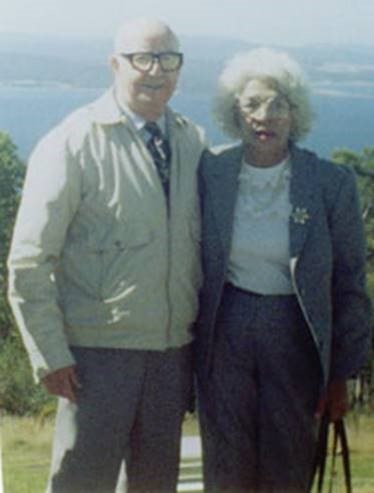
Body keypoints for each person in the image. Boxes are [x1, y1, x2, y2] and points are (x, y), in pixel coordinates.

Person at [7, 18, 207, 493]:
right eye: (143, 58)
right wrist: (50, 354)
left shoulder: (192, 142)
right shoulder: (71, 143)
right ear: (115, 64)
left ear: (180, 67)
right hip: (94, 361)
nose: (156, 70)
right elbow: (28, 262)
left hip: (170, 357)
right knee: (82, 483)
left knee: (155, 486)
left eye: (168, 59)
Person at [195, 47, 372, 493]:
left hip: (295, 332)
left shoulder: (331, 183)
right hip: (224, 331)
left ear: (296, 114)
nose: (265, 116)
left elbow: (350, 284)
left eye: (278, 105)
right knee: (226, 464)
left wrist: (341, 374)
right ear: (234, 112)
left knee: (289, 462)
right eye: (252, 104)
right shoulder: (210, 171)